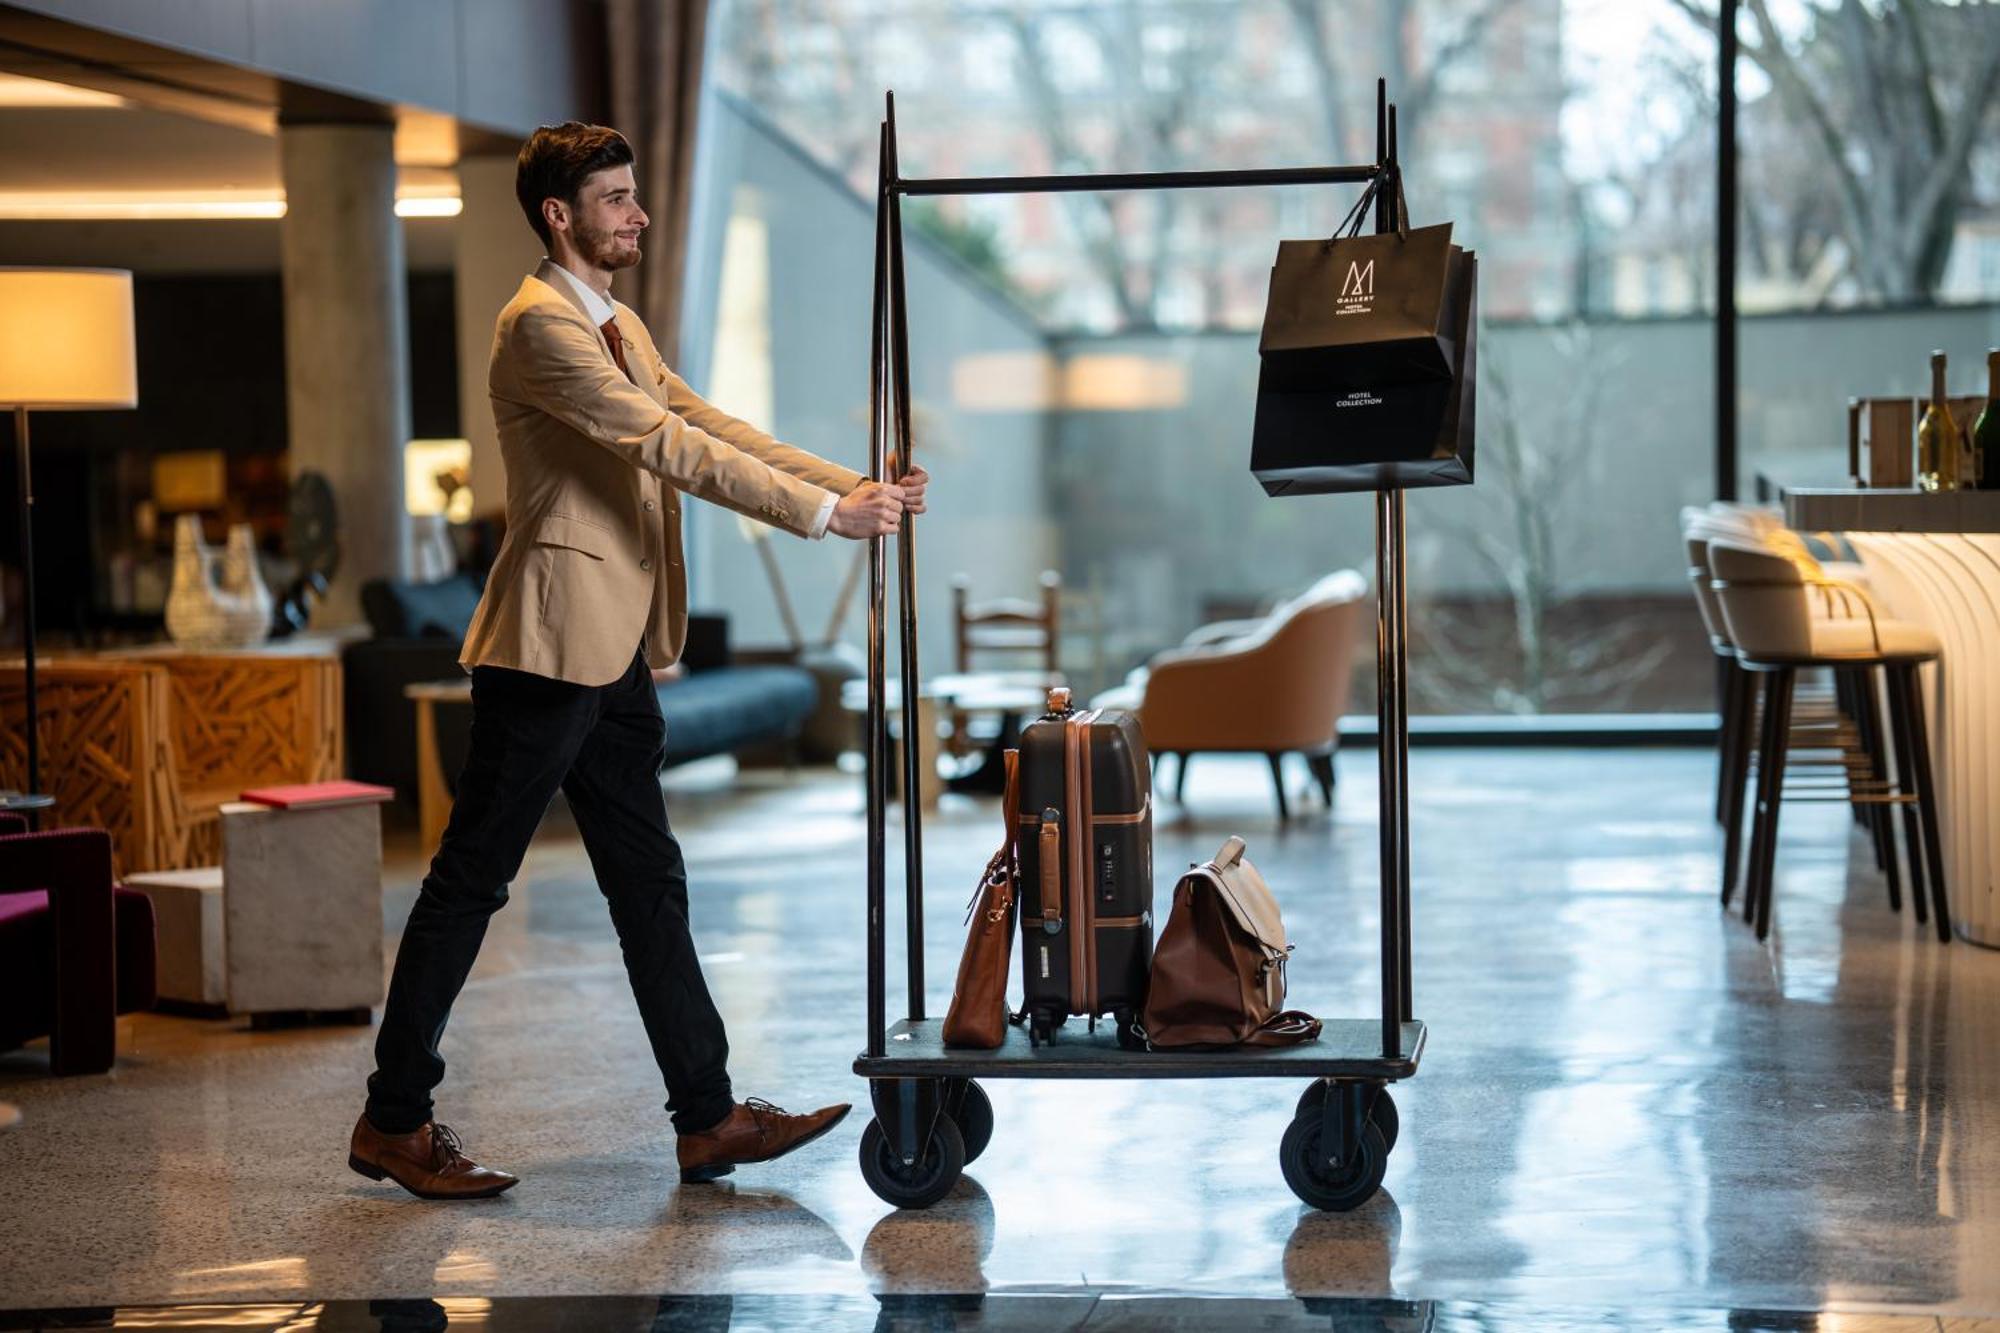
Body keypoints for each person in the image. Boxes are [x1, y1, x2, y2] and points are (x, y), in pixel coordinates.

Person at [348, 121, 926, 1200]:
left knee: (648, 881)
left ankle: (706, 1119)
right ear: (559, 216)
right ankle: (393, 1119)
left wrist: (853, 484)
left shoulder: (615, 323)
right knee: (472, 878)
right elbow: (665, 447)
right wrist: (824, 516)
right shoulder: (537, 328)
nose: (638, 213)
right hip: (547, 646)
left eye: (634, 193)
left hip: (609, 649)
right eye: (615, 198)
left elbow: (714, 423)